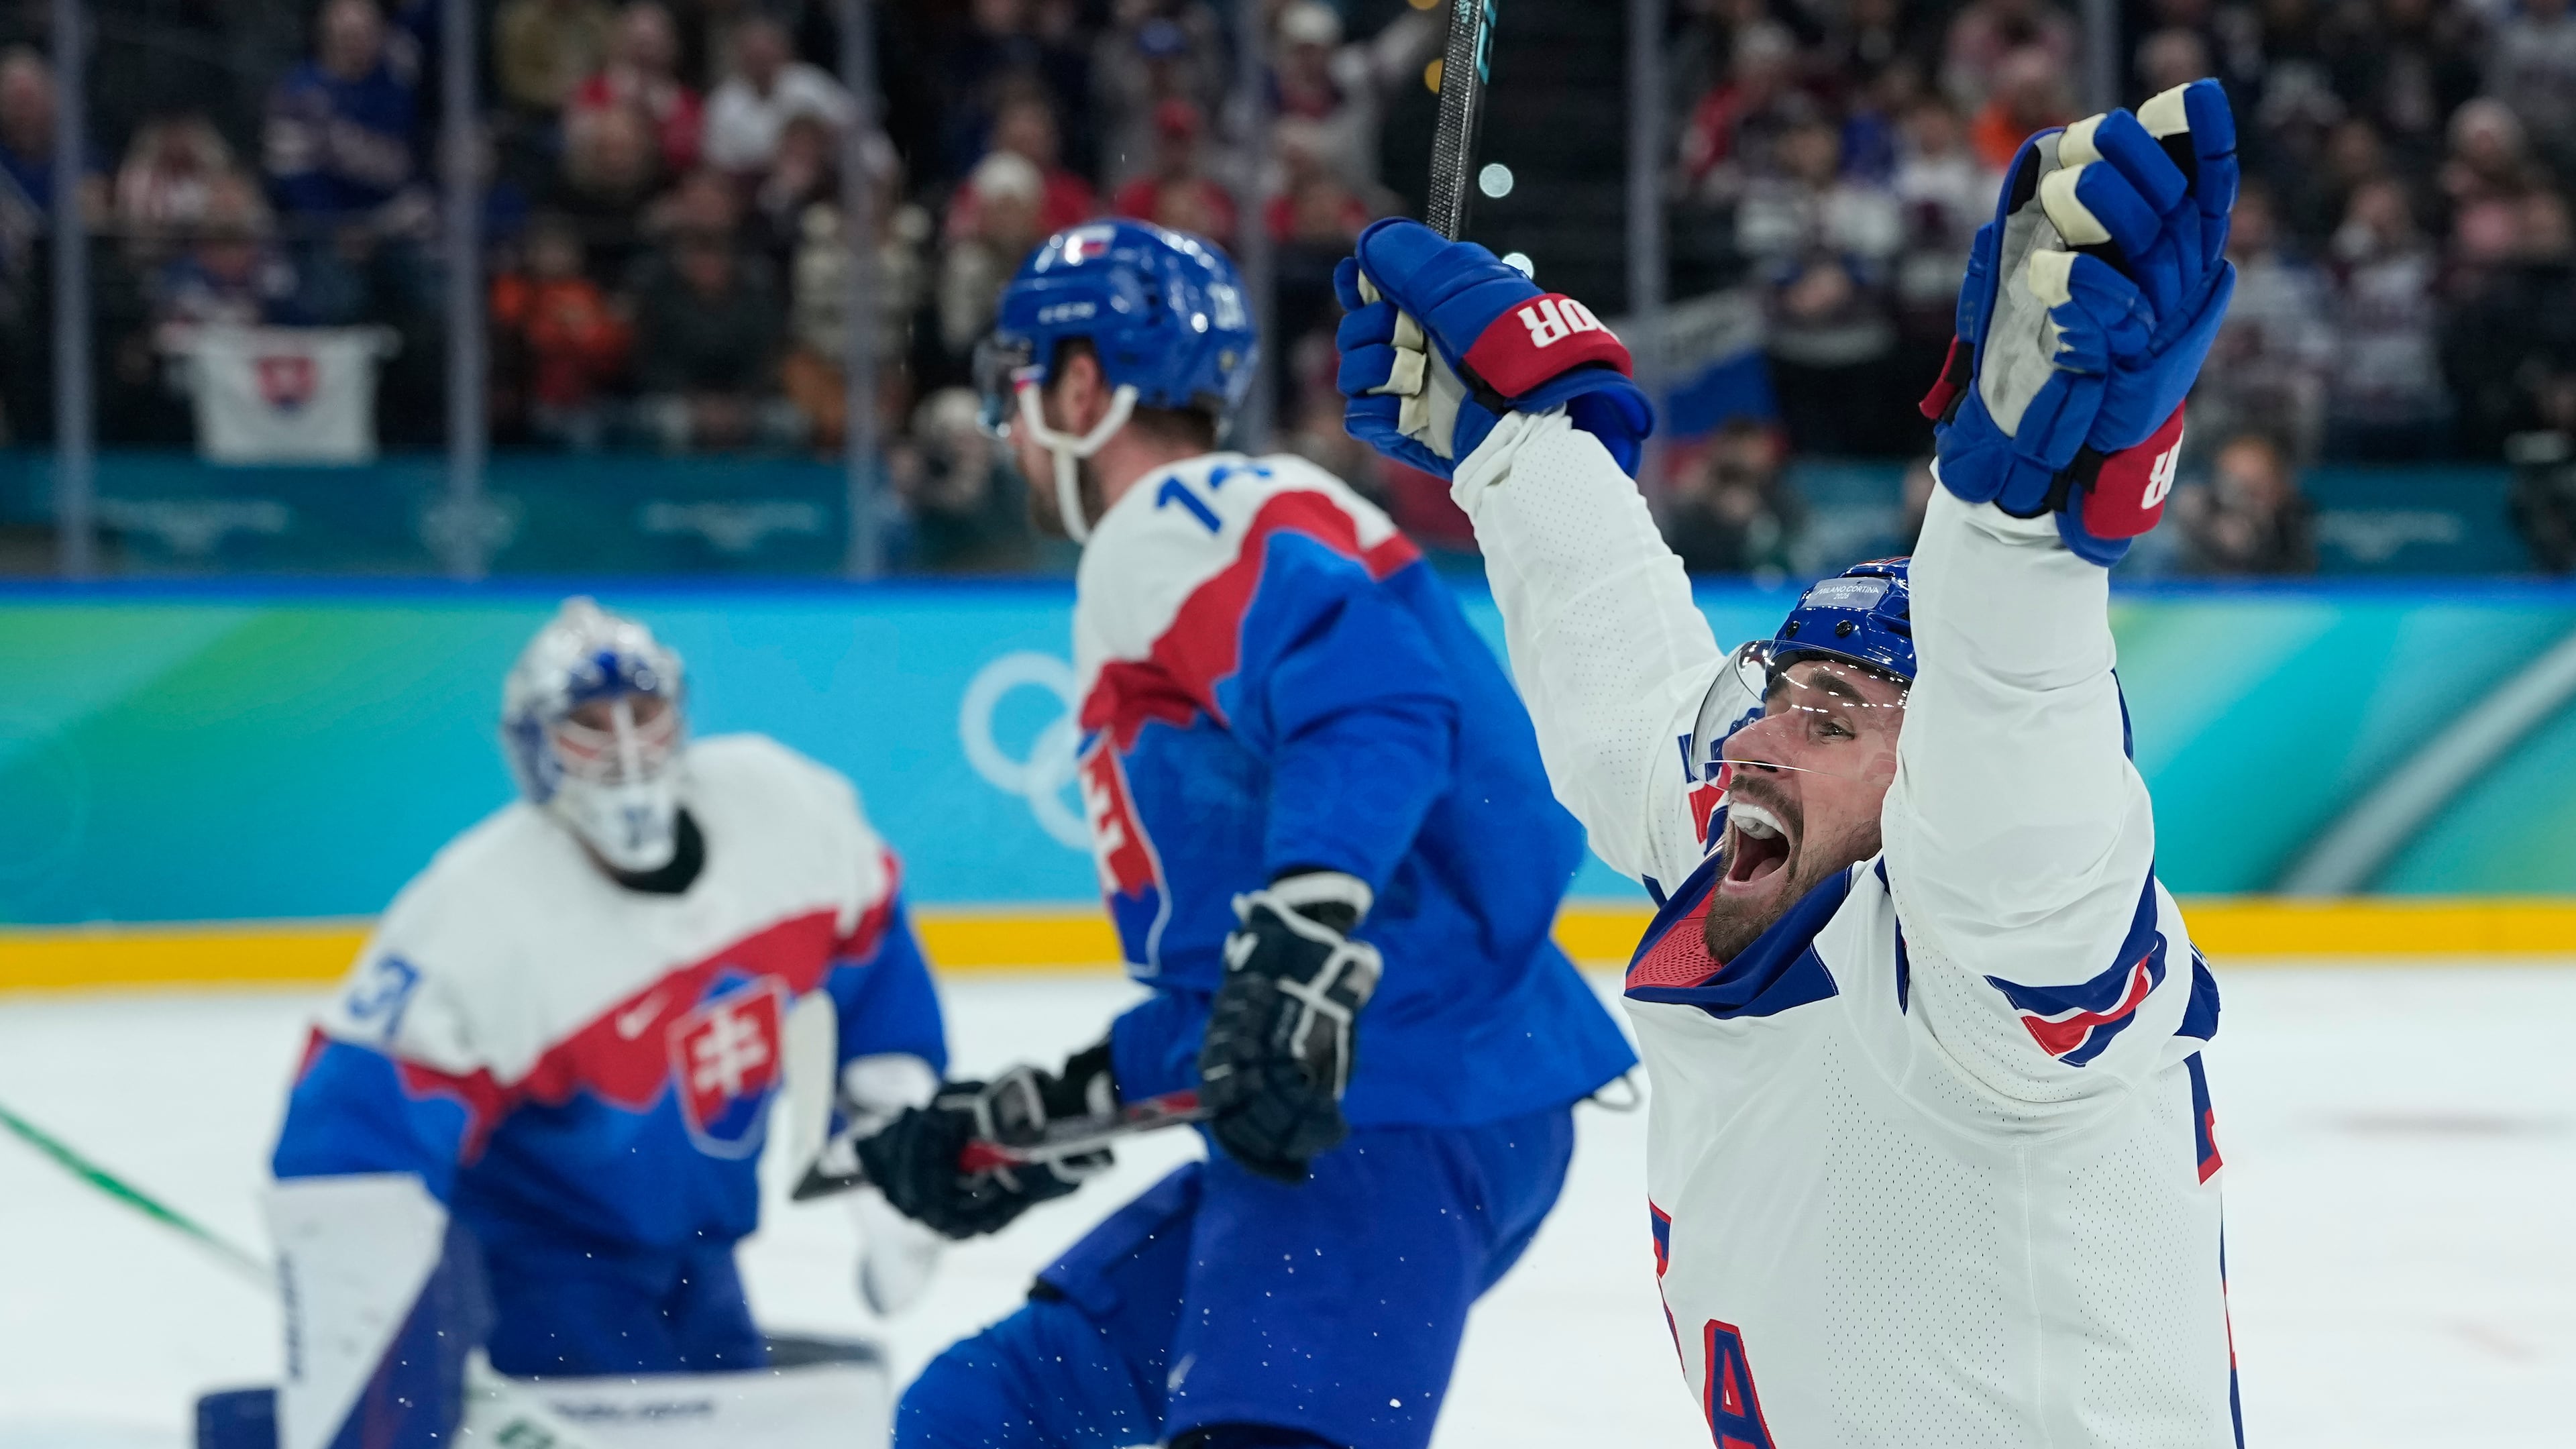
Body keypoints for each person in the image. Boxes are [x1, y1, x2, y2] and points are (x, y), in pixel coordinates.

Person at [1334, 80, 2241, 1443]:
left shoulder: (2004, 971)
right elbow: (1630, 704)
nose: (1761, 738)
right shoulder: (1770, 843)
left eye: (1836, 716)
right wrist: (1515, 445)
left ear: (1933, 778)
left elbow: (2017, 769)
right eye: (1781, 693)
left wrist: (2022, 541)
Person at [858, 220, 1637, 1449]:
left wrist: (1302, 943)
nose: (1011, 427)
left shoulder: (1175, 519)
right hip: (1393, 1088)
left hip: (1399, 1100)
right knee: (990, 1412)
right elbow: (1251, 1000)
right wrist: (1030, 1120)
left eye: (1020, 387)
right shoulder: (1208, 536)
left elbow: (1377, 703)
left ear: (1077, 386)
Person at [251, 598, 951, 1448]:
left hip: (701, 1253)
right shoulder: (480, 916)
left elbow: (874, 955)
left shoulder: (783, 811)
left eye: (644, 715)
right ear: (536, 750)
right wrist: (393, 1355)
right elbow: (347, 1137)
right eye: (588, 725)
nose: (624, 749)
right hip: (540, 1273)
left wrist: (888, 1148)